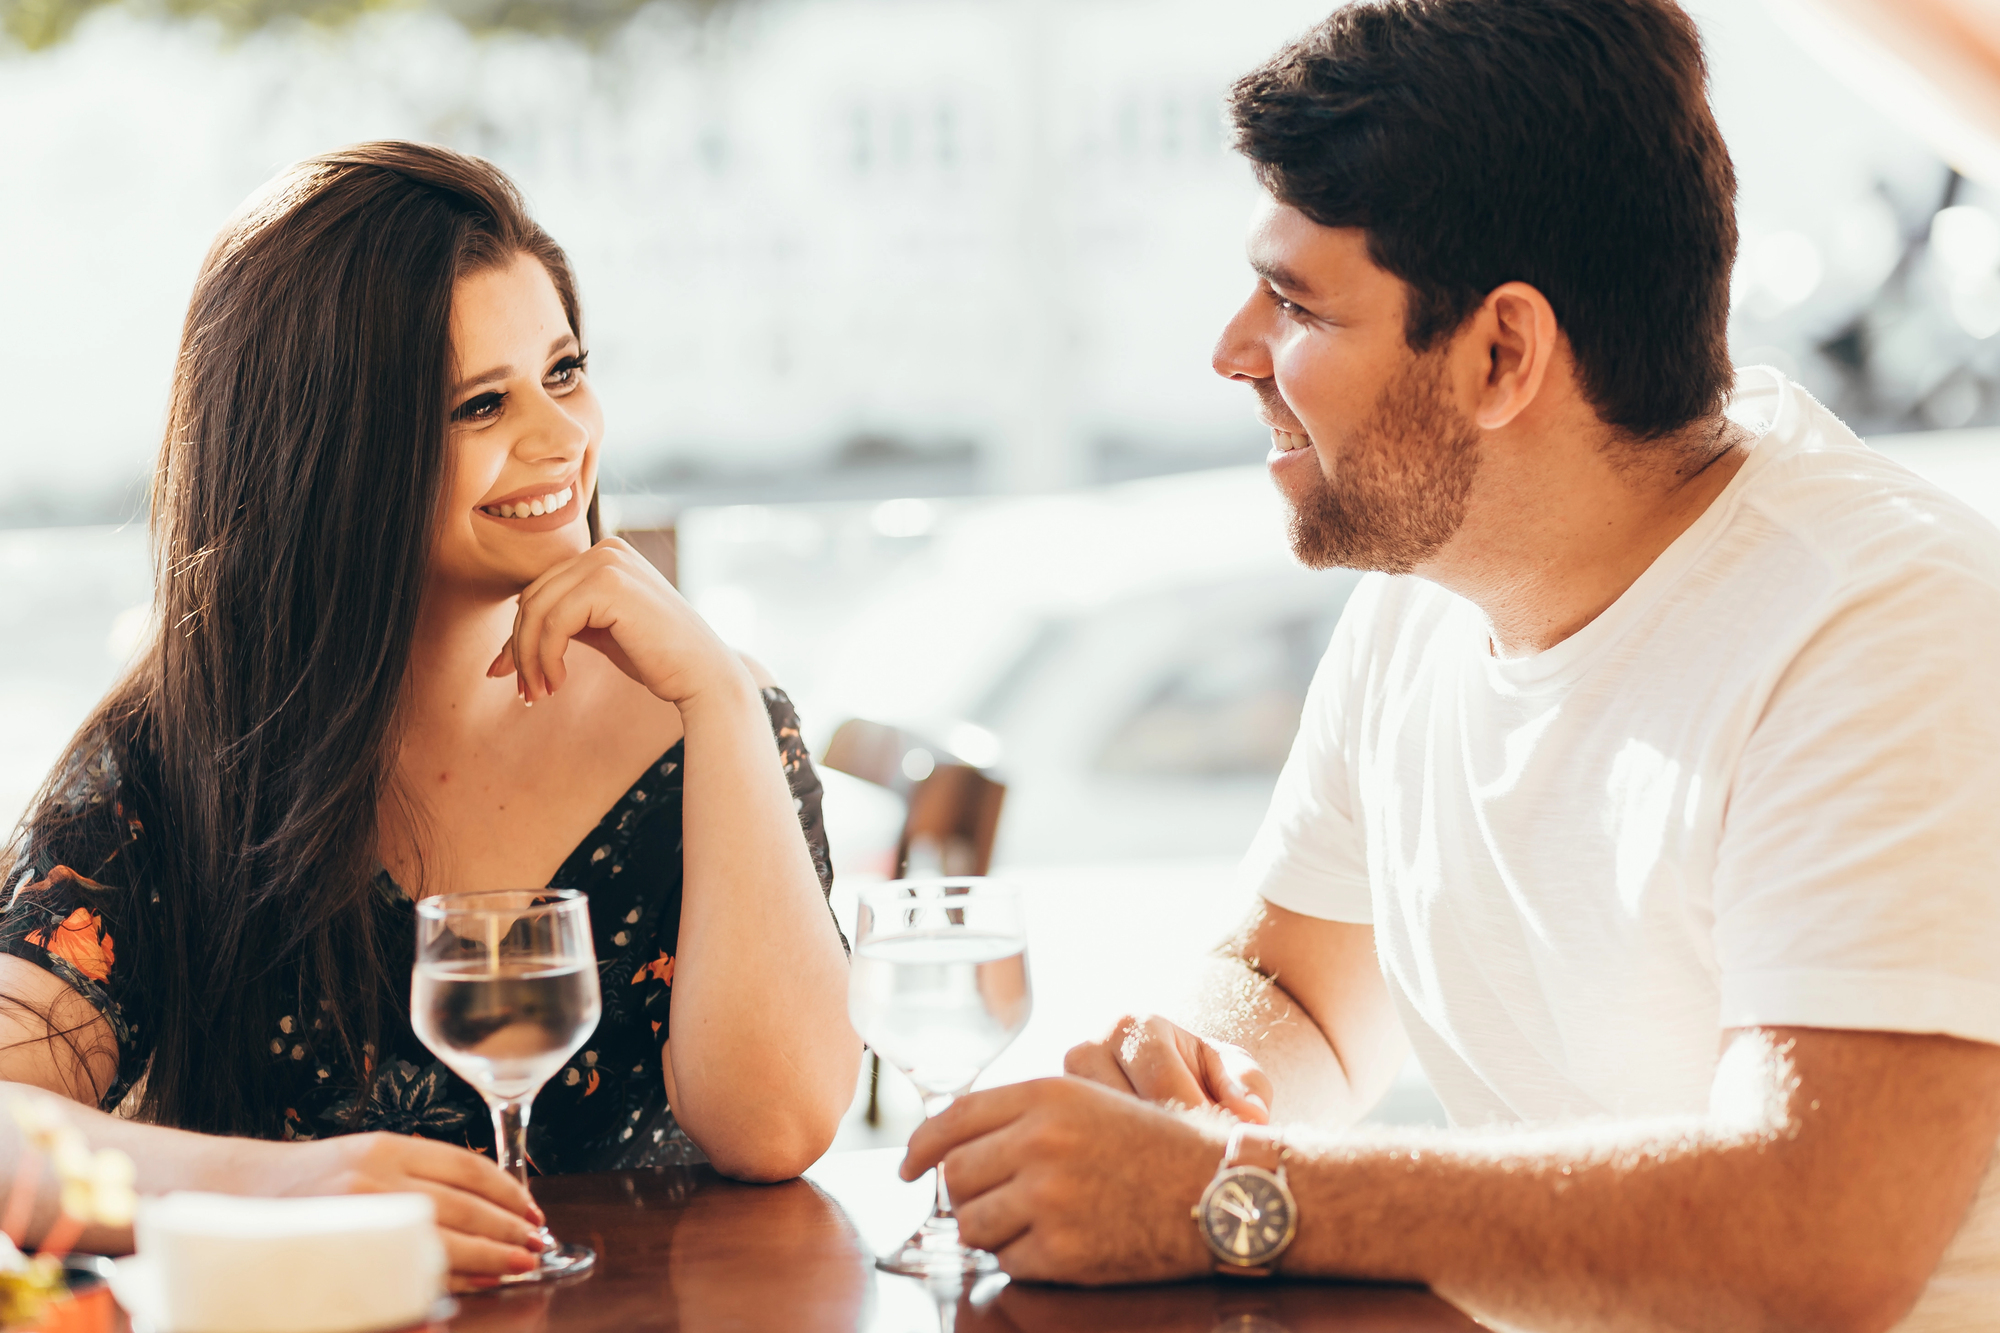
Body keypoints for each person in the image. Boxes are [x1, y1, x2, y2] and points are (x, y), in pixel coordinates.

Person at [900, 4, 2000, 1330]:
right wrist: (1198, 1074)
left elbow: (1823, 1237)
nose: (1232, 349)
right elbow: (1295, 985)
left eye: (1296, 301)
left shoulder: (1888, 634)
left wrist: (1231, 1189)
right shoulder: (1425, 597)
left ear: (1501, 354)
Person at [0, 142, 859, 1284]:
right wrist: (294, 1187)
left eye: (564, 371)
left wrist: (717, 691)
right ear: (332, 452)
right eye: (480, 405)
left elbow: (778, 1129)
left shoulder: (703, 721)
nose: (559, 439)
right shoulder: (180, 754)